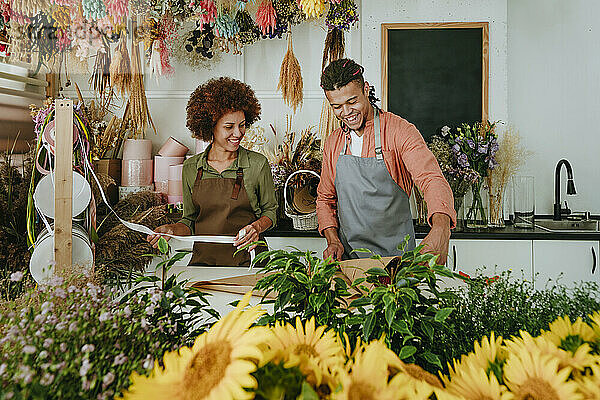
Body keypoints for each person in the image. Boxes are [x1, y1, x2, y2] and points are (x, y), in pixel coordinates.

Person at [317, 58, 456, 264]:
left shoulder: (400, 131)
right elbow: (325, 199)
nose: (346, 113)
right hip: (349, 263)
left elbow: (431, 179)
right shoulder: (333, 143)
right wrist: (333, 241)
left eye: (352, 102)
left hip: (397, 262)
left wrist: (441, 228)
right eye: (337, 106)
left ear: (366, 89)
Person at [147, 77, 277, 266]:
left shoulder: (256, 164)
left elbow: (271, 211)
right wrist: (171, 230)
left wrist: (257, 227)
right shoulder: (192, 168)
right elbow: (189, 221)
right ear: (211, 127)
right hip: (204, 263)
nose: (238, 133)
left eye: (242, 125)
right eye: (229, 127)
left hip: (248, 263)